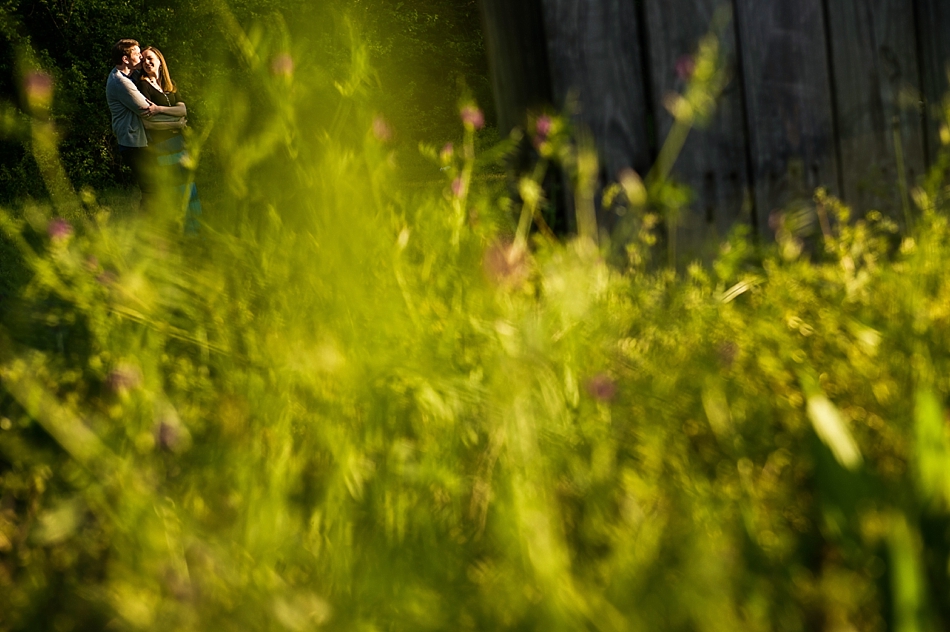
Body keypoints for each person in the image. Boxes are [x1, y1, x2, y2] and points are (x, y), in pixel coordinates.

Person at [105, 39, 184, 211]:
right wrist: (177, 122)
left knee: (155, 189)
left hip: (139, 140)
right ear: (126, 59)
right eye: (137, 53)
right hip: (133, 144)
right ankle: (144, 230)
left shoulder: (131, 75)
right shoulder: (121, 83)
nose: (141, 56)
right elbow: (148, 111)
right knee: (152, 191)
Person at [133, 46, 202, 234]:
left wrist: (159, 110)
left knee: (188, 187)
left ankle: (194, 232)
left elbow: (183, 110)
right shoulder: (143, 86)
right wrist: (178, 124)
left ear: (159, 60)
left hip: (180, 143)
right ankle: (175, 233)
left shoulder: (170, 84)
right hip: (162, 145)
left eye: (150, 58)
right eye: (144, 60)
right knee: (173, 189)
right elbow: (148, 124)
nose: (147, 62)